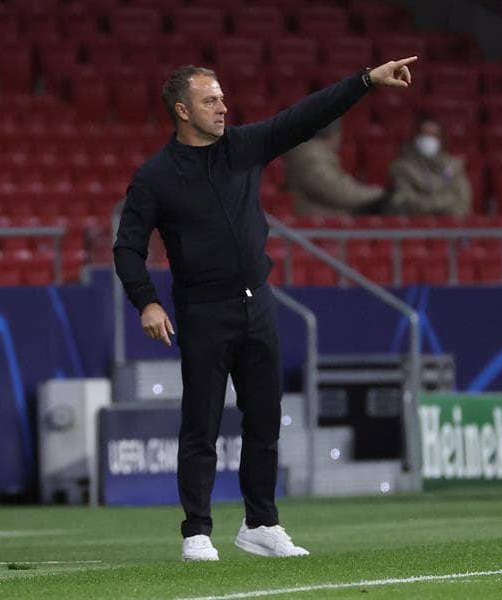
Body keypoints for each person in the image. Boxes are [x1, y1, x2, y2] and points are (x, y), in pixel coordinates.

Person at [114, 57, 417, 561]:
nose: (222, 107)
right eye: (211, 100)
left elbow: (304, 117)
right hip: (203, 312)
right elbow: (127, 247)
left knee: (264, 422)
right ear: (183, 110)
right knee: (201, 424)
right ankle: (196, 531)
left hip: (259, 306)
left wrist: (365, 81)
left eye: (223, 97)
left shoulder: (243, 146)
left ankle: (261, 524)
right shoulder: (156, 177)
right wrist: (146, 302)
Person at [283, 118, 387, 215]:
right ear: (335, 133)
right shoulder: (312, 156)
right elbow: (340, 192)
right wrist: (379, 194)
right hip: (317, 225)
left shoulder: (310, 152)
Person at [387, 115, 472, 216]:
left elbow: (463, 202)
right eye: (425, 134)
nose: (429, 140)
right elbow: (407, 202)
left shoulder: (454, 165)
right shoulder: (401, 167)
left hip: (449, 225)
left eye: (434, 135)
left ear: (441, 139)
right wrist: (447, 201)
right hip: (416, 226)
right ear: (415, 137)